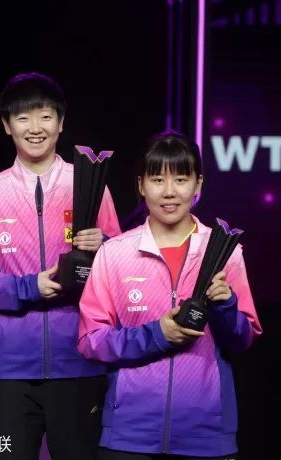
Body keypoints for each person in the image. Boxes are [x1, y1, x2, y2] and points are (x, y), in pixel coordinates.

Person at [0, 72, 121, 460]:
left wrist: (104, 246)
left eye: (46, 116)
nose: (35, 128)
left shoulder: (89, 185)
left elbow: (121, 266)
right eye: (23, 118)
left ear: (61, 123)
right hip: (10, 371)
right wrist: (27, 287)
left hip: (80, 362)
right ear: (6, 125)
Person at [78, 131, 262, 460]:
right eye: (157, 179)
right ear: (141, 185)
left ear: (198, 184)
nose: (169, 192)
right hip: (129, 436)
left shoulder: (224, 252)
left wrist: (226, 305)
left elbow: (242, 339)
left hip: (206, 436)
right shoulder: (115, 253)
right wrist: (157, 334)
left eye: (180, 179)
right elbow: (91, 341)